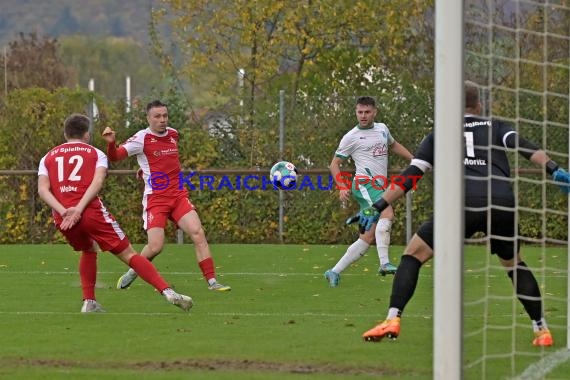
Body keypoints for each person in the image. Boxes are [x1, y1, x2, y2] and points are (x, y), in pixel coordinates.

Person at [352, 80, 570, 346]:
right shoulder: (496, 126)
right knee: (514, 264)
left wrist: (377, 206)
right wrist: (554, 168)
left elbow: (411, 175)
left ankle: (393, 318)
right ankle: (542, 329)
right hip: (500, 200)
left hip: (458, 202)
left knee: (413, 254)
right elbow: (525, 147)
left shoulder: (439, 133)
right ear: (479, 104)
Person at [37, 113, 193, 313]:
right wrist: (79, 209)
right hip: (90, 213)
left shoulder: (48, 156)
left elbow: (42, 190)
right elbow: (97, 182)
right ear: (87, 134)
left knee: (88, 249)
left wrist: (64, 211)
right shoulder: (96, 153)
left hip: (63, 217)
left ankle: (89, 302)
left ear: (65, 133)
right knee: (129, 254)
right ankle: (168, 291)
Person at [102, 100, 231, 292]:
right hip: (157, 199)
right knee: (155, 246)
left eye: (164, 115)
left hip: (178, 195)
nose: (162, 120)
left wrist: (144, 170)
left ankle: (212, 282)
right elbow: (115, 157)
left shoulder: (173, 134)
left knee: (198, 232)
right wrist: (112, 144)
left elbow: (163, 161)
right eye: (157, 116)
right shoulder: (141, 138)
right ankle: (134, 270)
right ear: (148, 118)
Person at [324, 96, 414, 287]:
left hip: (378, 185)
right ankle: (384, 263)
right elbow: (334, 164)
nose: (363, 116)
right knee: (387, 212)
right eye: (360, 112)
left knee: (368, 236)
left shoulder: (382, 129)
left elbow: (393, 145)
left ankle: (334, 271)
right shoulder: (351, 136)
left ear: (375, 112)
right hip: (364, 184)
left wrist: (413, 159)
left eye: (367, 112)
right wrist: (341, 186)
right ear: (356, 112)